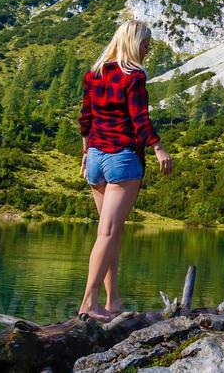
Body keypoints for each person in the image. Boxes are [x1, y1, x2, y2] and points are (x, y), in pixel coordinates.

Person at [76, 19, 174, 320]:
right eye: (146, 44)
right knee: (107, 232)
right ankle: (88, 304)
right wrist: (158, 147)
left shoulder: (94, 74)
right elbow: (139, 119)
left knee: (112, 233)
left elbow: (85, 119)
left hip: (94, 158)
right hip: (122, 160)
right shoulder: (134, 77)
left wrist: (84, 151)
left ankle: (113, 301)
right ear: (134, 43)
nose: (148, 49)